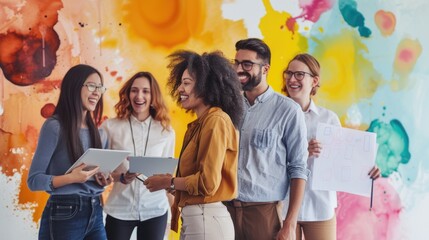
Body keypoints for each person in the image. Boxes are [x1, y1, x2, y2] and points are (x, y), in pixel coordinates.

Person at [144, 50, 243, 240]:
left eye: (186, 83)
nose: (180, 89)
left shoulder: (215, 121)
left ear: (206, 87)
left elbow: (207, 183)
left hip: (206, 220)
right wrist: (175, 184)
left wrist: (168, 182)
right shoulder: (201, 124)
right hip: (198, 219)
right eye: (180, 83)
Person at [281, 53, 381, 240]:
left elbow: (345, 159)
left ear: (314, 81)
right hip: (283, 207)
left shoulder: (328, 119)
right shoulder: (276, 116)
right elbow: (265, 160)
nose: (292, 79)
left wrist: (368, 170)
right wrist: (303, 151)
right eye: (289, 73)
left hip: (320, 206)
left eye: (299, 74)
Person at [225, 38, 310, 240]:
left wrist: (290, 224)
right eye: (236, 63)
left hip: (264, 214)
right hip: (224, 209)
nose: (239, 69)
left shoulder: (288, 110)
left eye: (247, 64)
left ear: (265, 69)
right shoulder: (228, 107)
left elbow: (298, 168)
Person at [27, 64, 112, 239]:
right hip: (64, 213)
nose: (97, 92)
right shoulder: (54, 127)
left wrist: (103, 180)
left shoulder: (99, 132)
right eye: (91, 86)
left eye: (100, 87)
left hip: (95, 210)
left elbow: (94, 179)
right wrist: (71, 178)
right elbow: (34, 180)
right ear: (74, 87)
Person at [100, 71, 175, 240]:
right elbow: (98, 173)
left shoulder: (166, 132)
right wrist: (122, 177)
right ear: (128, 93)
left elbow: (167, 176)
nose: (139, 96)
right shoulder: (110, 127)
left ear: (153, 95)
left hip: (155, 209)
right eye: (134, 90)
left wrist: (174, 212)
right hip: (119, 208)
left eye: (145, 91)